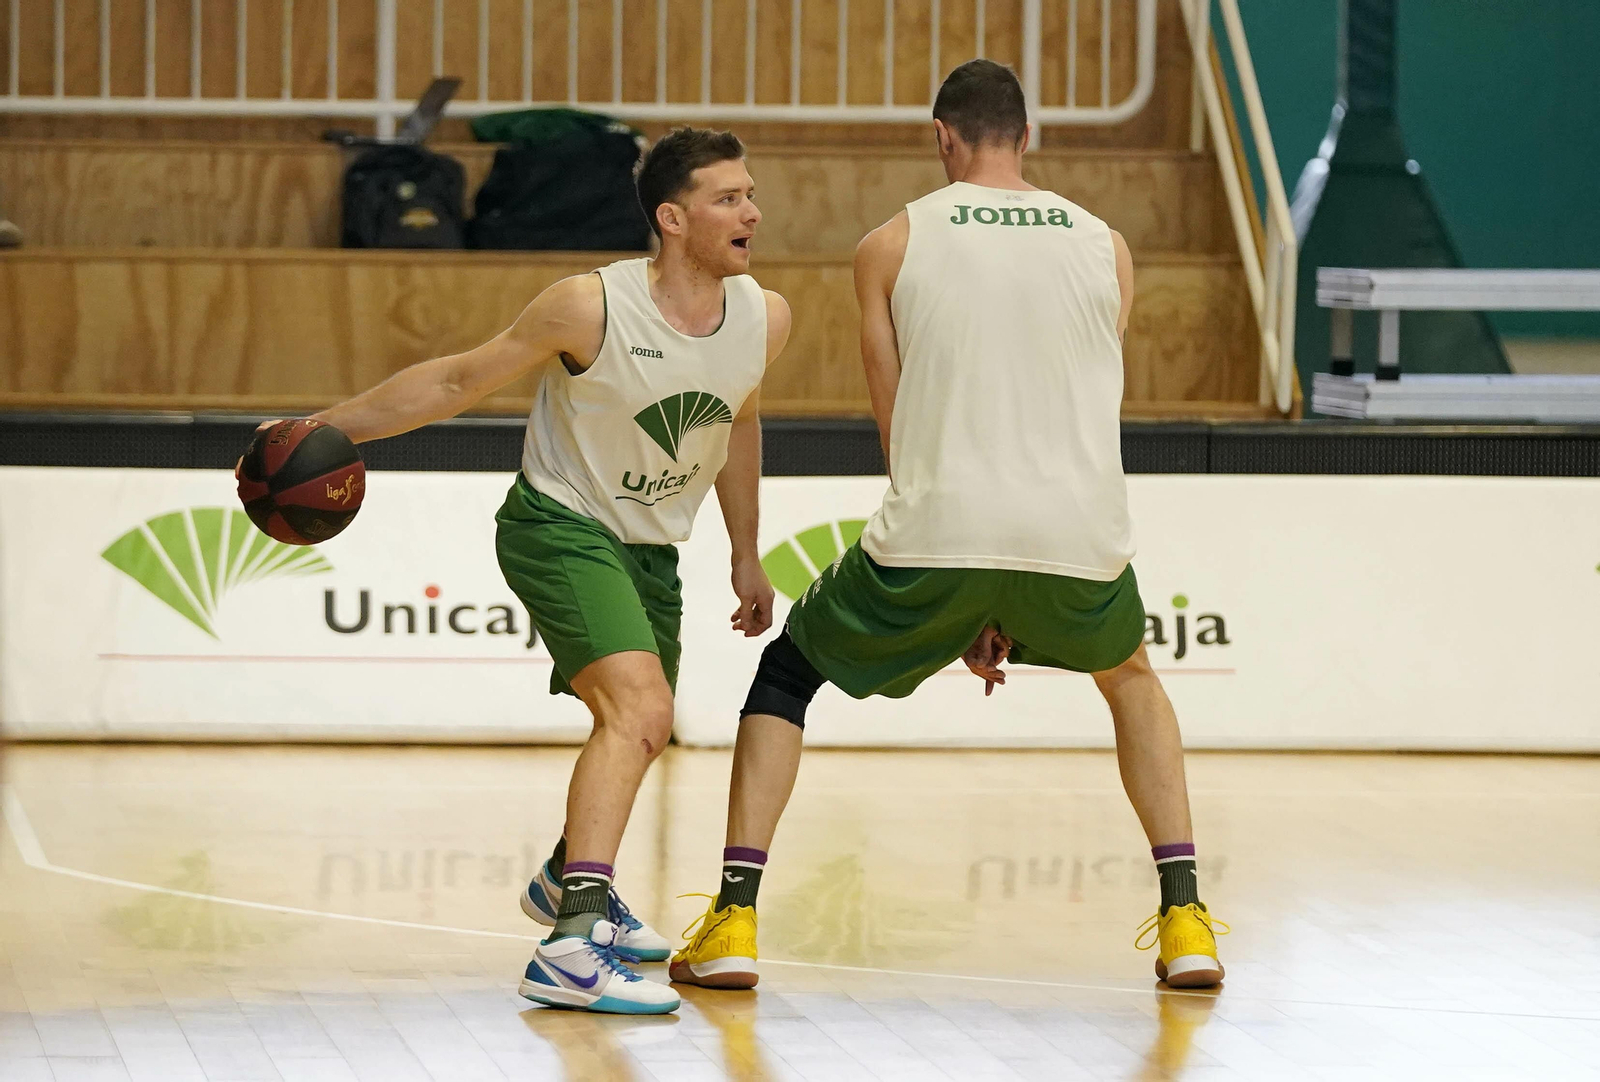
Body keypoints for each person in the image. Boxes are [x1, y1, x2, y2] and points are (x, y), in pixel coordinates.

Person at [669, 60, 1225, 992]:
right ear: (1029, 135)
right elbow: (1079, 401)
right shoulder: (1107, 245)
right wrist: (1005, 585)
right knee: (1131, 680)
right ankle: (1186, 920)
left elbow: (900, 429)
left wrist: (965, 586)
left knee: (787, 672)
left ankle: (732, 919)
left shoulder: (888, 244)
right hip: (1077, 532)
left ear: (943, 138)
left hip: (936, 529)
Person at [310, 128, 790, 1014]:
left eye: (750, 193)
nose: (751, 211)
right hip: (560, 523)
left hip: (650, 547)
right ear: (673, 219)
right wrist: (322, 430)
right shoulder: (590, 305)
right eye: (729, 198)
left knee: (645, 727)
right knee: (640, 711)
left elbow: (739, 426)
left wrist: (746, 552)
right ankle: (568, 948)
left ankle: (568, 880)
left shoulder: (765, 315)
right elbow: (457, 381)